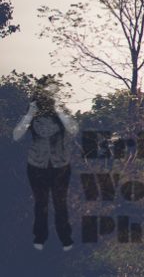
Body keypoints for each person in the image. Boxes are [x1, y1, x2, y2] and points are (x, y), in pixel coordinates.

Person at [12, 77, 79, 251]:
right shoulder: (32, 113)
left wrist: (59, 111)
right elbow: (16, 135)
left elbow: (74, 130)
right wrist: (29, 114)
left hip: (60, 166)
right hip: (37, 166)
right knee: (40, 203)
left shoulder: (61, 113)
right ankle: (40, 237)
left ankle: (65, 238)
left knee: (60, 203)